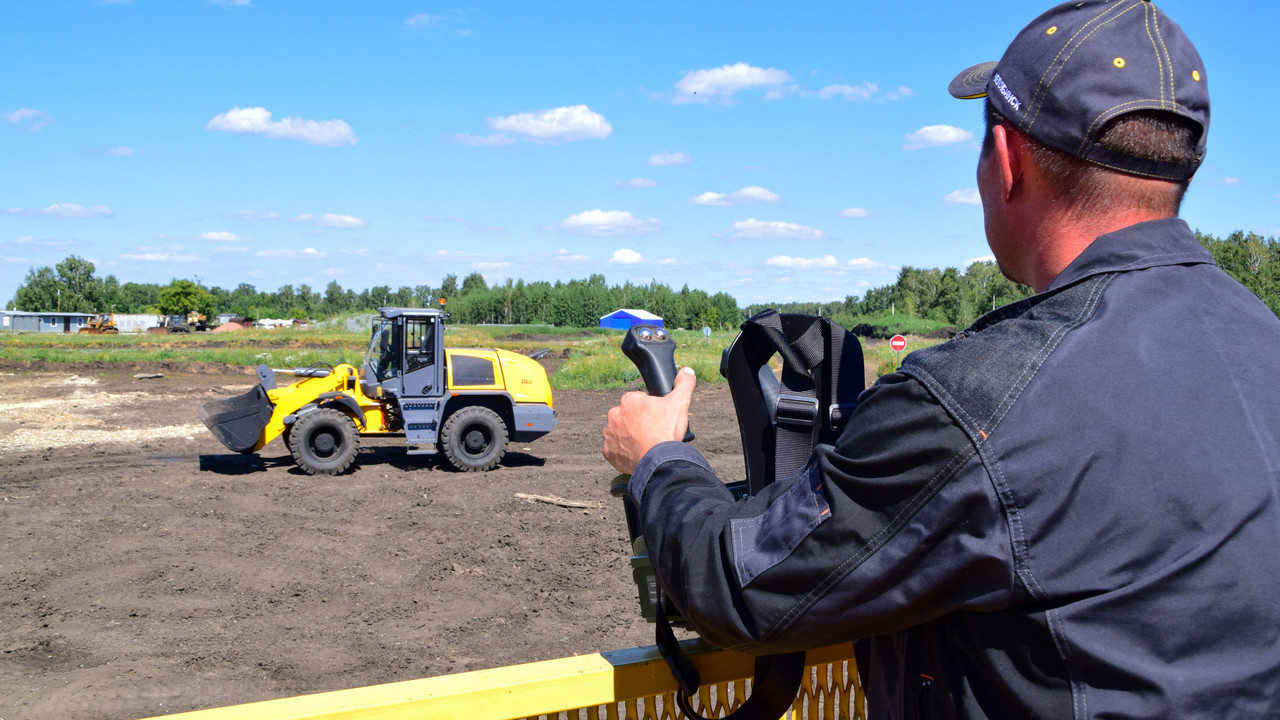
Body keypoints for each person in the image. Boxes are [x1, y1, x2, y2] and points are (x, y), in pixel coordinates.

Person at [602, 1, 1280, 717]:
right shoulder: (1260, 339)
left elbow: (739, 586)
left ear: (1006, 160)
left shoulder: (977, 402)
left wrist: (658, 457)